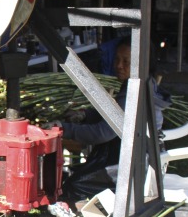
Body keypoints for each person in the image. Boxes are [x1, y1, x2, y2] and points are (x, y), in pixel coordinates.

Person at [49, 37, 171, 201]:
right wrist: (85, 114)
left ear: (142, 64)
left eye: (126, 61)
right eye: (117, 59)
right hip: (136, 155)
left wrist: (63, 129)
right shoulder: (141, 83)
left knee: (75, 185)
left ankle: (81, 215)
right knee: (77, 175)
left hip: (136, 164)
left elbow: (102, 133)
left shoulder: (134, 93)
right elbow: (115, 113)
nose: (119, 65)